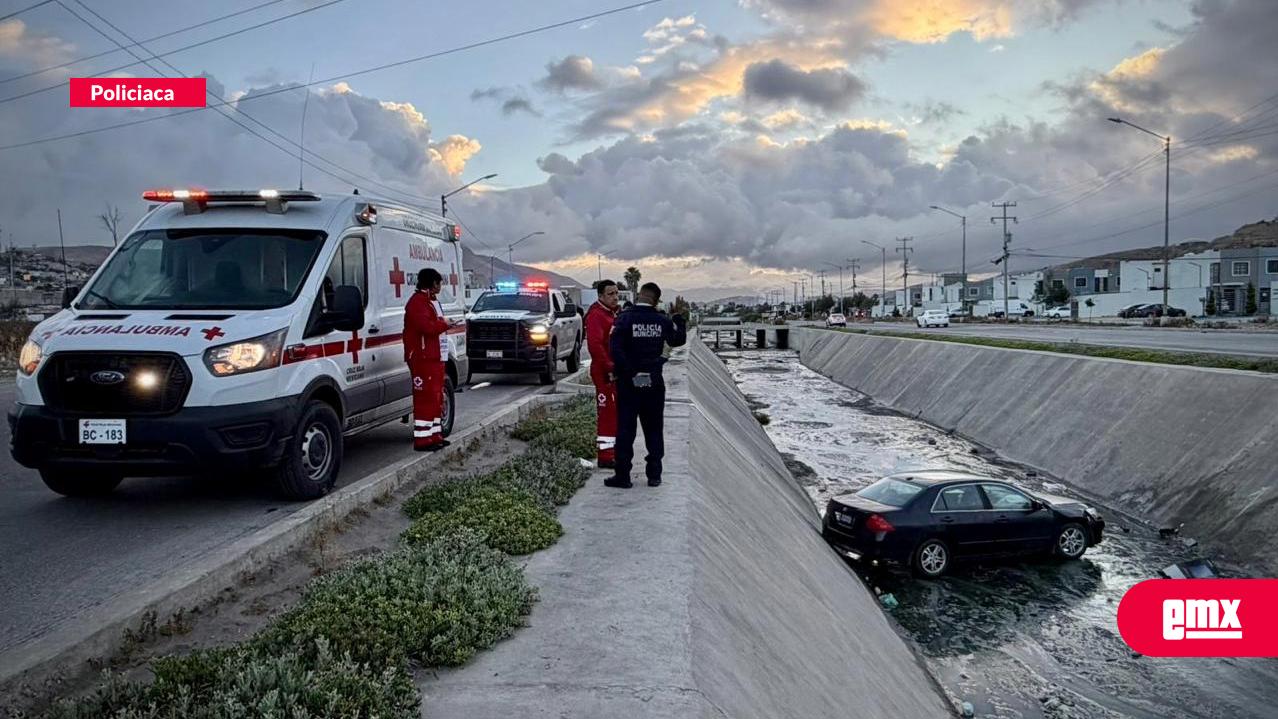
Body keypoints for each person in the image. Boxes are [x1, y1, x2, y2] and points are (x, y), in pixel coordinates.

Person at [606, 281, 687, 488]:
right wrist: (679, 318)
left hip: (628, 383)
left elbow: (615, 349)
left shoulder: (624, 319)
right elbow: (677, 340)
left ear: (640, 295)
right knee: (653, 428)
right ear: (656, 300)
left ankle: (623, 476)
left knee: (625, 429)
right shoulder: (662, 320)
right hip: (653, 381)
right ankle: (654, 475)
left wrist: (630, 372)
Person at [404, 268, 452, 452]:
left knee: (435, 397)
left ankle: (435, 435)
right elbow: (427, 327)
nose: (440, 287)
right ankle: (423, 439)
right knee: (425, 398)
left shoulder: (430, 302)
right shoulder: (417, 303)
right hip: (423, 358)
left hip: (434, 356)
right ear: (432, 284)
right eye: (438, 283)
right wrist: (444, 324)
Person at [585, 279, 621, 468]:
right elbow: (595, 346)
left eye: (616, 293)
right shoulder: (596, 316)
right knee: (607, 413)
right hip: (604, 372)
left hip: (613, 371)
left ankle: (613, 452)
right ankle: (606, 457)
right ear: (600, 296)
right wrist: (609, 367)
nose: (615, 297)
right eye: (610, 294)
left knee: (614, 413)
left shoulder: (612, 314)